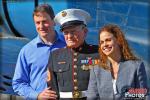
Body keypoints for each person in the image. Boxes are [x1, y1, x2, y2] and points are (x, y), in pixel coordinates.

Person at [12, 4, 66, 99]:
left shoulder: (68, 45)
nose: (41, 26)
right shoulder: (26, 51)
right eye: (37, 23)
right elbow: (18, 83)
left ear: (54, 22)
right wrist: (37, 96)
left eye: (45, 22)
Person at [47, 8, 99, 99]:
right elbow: (53, 89)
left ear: (85, 32)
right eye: (66, 32)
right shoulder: (55, 56)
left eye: (73, 32)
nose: (69, 36)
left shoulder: (98, 53)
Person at [87, 24, 148, 100]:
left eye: (108, 40)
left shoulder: (136, 66)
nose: (104, 44)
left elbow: (143, 96)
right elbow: (92, 97)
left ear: (119, 40)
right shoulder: (96, 69)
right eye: (102, 42)